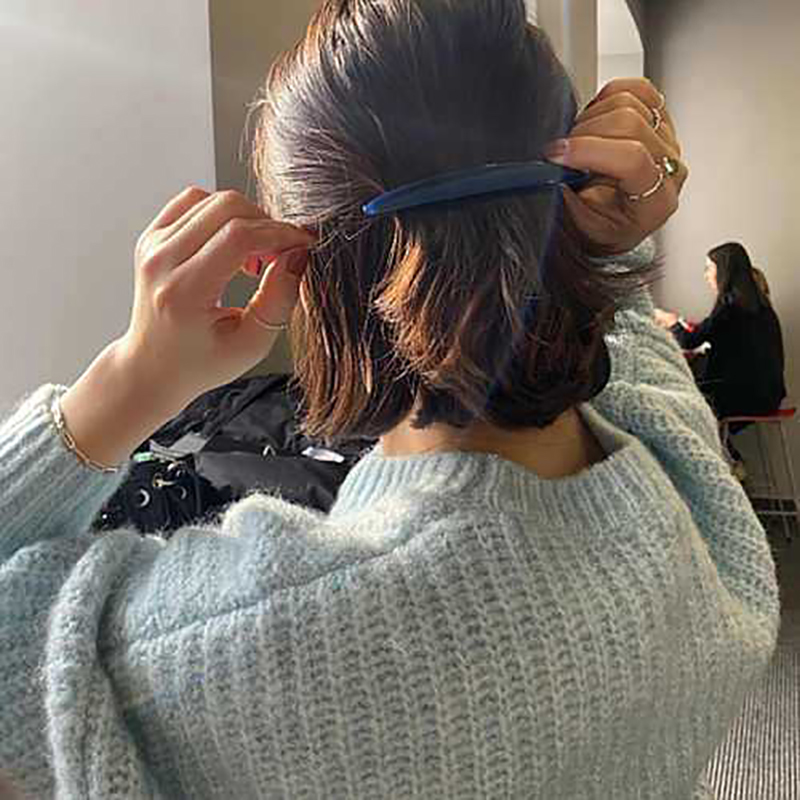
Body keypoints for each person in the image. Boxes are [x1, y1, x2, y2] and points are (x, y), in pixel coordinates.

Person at [0, 2, 778, 799]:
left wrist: (130, 380)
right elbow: (639, 365)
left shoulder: (238, 647)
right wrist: (592, 249)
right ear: (569, 195)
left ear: (308, 267)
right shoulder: (687, 498)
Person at [655, 242, 786, 468]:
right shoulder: (759, 306)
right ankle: (730, 462)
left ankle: (726, 465)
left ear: (723, 270)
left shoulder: (730, 306)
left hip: (745, 397)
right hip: (768, 394)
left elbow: (689, 340)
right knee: (694, 405)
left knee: (678, 404)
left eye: (709, 268)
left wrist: (671, 321)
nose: (706, 275)